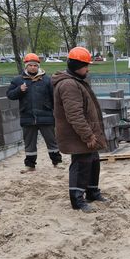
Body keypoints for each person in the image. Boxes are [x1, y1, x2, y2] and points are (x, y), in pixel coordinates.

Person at [52, 46, 108, 213]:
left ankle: (92, 191)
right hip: (77, 135)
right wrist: (88, 135)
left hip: (86, 133)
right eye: (85, 65)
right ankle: (77, 200)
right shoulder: (69, 84)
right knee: (81, 165)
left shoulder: (77, 80)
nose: (87, 68)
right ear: (76, 66)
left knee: (93, 161)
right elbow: (74, 115)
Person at [7, 53, 62, 173]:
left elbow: (54, 98)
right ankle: (30, 166)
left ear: (38, 66)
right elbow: (10, 95)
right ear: (26, 66)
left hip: (46, 117)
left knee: (52, 141)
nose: (33, 67)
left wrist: (56, 113)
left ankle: (57, 162)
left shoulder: (47, 80)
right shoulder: (18, 80)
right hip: (27, 117)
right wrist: (19, 90)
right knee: (29, 143)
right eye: (30, 65)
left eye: (35, 65)